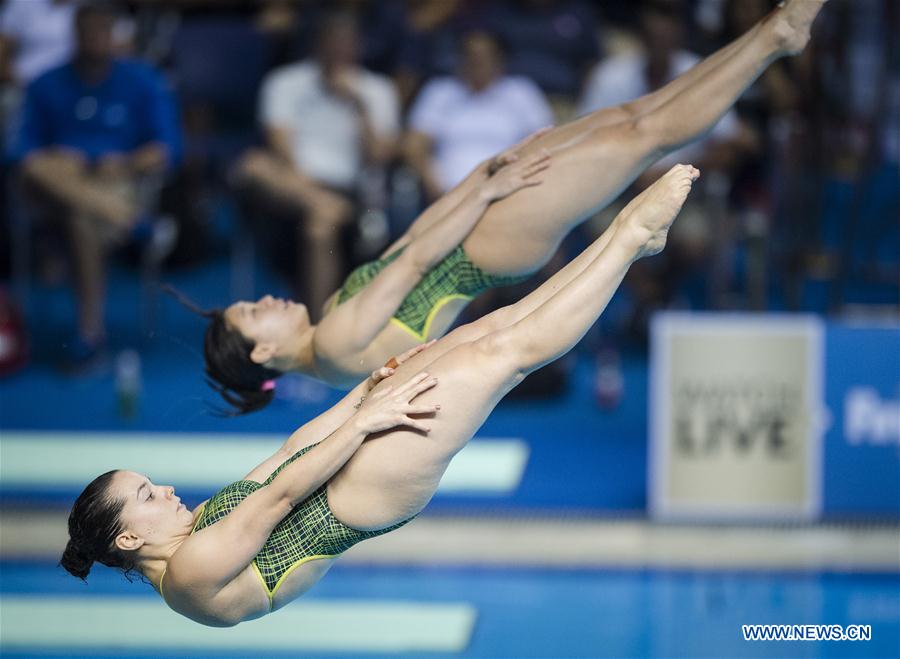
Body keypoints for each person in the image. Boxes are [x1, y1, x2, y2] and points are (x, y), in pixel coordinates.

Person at [62, 161, 700, 627]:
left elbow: (283, 459)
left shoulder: (193, 535)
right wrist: (368, 421)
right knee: (505, 356)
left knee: (488, 332)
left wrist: (361, 393)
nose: (165, 489)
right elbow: (285, 494)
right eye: (147, 495)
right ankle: (628, 241)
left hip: (344, 473)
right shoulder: (189, 573)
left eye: (152, 483)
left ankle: (629, 238)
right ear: (126, 539)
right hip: (355, 500)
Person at [202, 0, 828, 409]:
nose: (267, 300)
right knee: (645, 137)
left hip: (478, 222)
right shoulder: (335, 342)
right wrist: (484, 187)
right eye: (255, 313)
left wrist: (480, 176)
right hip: (488, 243)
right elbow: (418, 259)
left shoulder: (332, 320)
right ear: (262, 353)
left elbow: (406, 243)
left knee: (629, 118)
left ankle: (767, 35)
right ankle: (774, 39)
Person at [8, 2, 180, 368]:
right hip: (54, 189)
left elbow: (167, 150)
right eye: (88, 32)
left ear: (116, 35)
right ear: (75, 35)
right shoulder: (45, 82)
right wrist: (71, 159)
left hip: (116, 182)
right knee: (41, 167)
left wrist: (126, 162)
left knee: (81, 218)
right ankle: (131, 220)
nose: (95, 40)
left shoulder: (142, 80)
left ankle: (89, 335)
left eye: (104, 31)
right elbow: (20, 153)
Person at [232, 10, 400, 315]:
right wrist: (306, 186)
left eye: (345, 42)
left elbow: (379, 158)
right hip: (293, 180)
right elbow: (278, 143)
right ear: (317, 44)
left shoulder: (377, 90)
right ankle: (322, 202)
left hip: (350, 188)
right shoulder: (285, 81)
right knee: (251, 164)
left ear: (358, 46)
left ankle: (315, 321)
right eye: (331, 41)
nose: (338, 49)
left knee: (320, 227)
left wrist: (359, 107)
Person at [404, 28, 553, 201]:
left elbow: (545, 140)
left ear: (500, 59)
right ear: (460, 59)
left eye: (485, 56)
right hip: (446, 193)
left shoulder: (521, 92)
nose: (477, 62)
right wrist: (433, 184)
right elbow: (413, 146)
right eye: (471, 56)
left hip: (509, 192)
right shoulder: (440, 91)